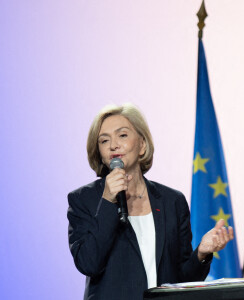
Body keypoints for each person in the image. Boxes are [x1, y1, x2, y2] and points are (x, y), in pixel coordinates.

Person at [67, 104, 234, 300]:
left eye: (122, 135)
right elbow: (88, 263)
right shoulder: (83, 200)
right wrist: (108, 201)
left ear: (142, 145)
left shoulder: (172, 201)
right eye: (104, 140)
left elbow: (183, 280)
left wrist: (201, 254)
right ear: (101, 153)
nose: (113, 145)